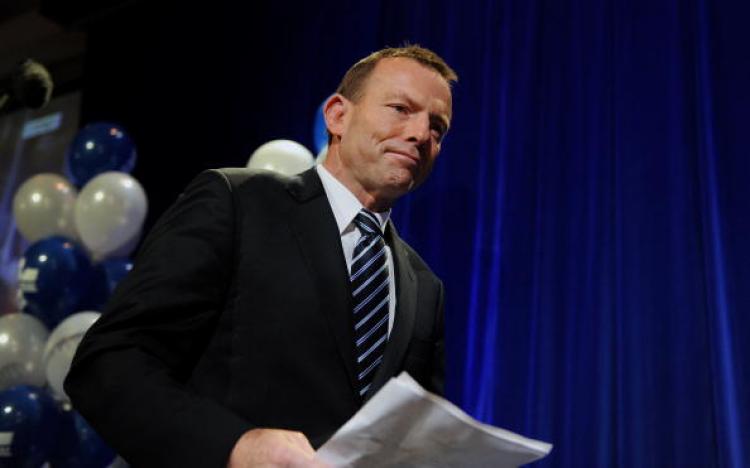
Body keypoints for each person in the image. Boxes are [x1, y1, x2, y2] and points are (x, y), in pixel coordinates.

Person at [65, 45, 457, 468]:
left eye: (437, 127)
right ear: (337, 115)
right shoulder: (236, 204)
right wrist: (235, 446)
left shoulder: (424, 286)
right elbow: (108, 365)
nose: (420, 134)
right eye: (401, 108)